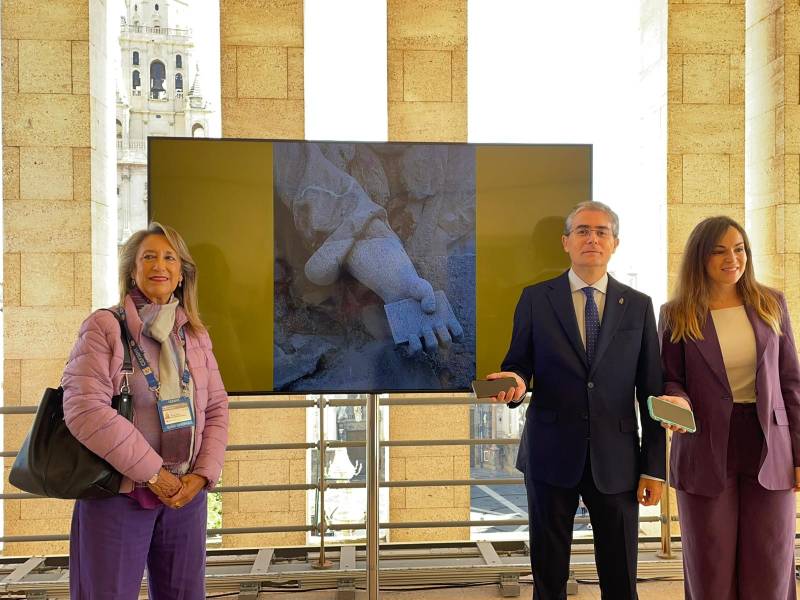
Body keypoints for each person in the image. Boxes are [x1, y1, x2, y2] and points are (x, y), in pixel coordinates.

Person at [486, 201, 666, 600]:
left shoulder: (637, 305)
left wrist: (655, 467)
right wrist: (514, 381)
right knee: (548, 577)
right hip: (550, 454)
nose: (592, 238)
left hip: (618, 459)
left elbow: (651, 391)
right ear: (566, 242)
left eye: (602, 232)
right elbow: (519, 363)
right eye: (583, 230)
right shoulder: (536, 298)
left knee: (621, 578)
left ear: (615, 243)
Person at [62, 222, 229, 599]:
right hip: (119, 495)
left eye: (170, 257)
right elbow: (84, 409)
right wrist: (153, 473)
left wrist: (201, 477)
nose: (160, 265)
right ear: (132, 270)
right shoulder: (104, 327)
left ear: (182, 274)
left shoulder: (195, 335)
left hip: (184, 496)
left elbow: (217, 407)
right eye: (148, 256)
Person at [659, 216, 800, 600]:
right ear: (700, 257)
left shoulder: (771, 303)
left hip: (769, 445)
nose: (732, 258)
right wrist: (676, 400)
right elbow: (672, 378)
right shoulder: (676, 313)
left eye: (738, 249)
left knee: (769, 564)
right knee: (710, 566)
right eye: (719, 250)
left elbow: (791, 384)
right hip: (704, 444)